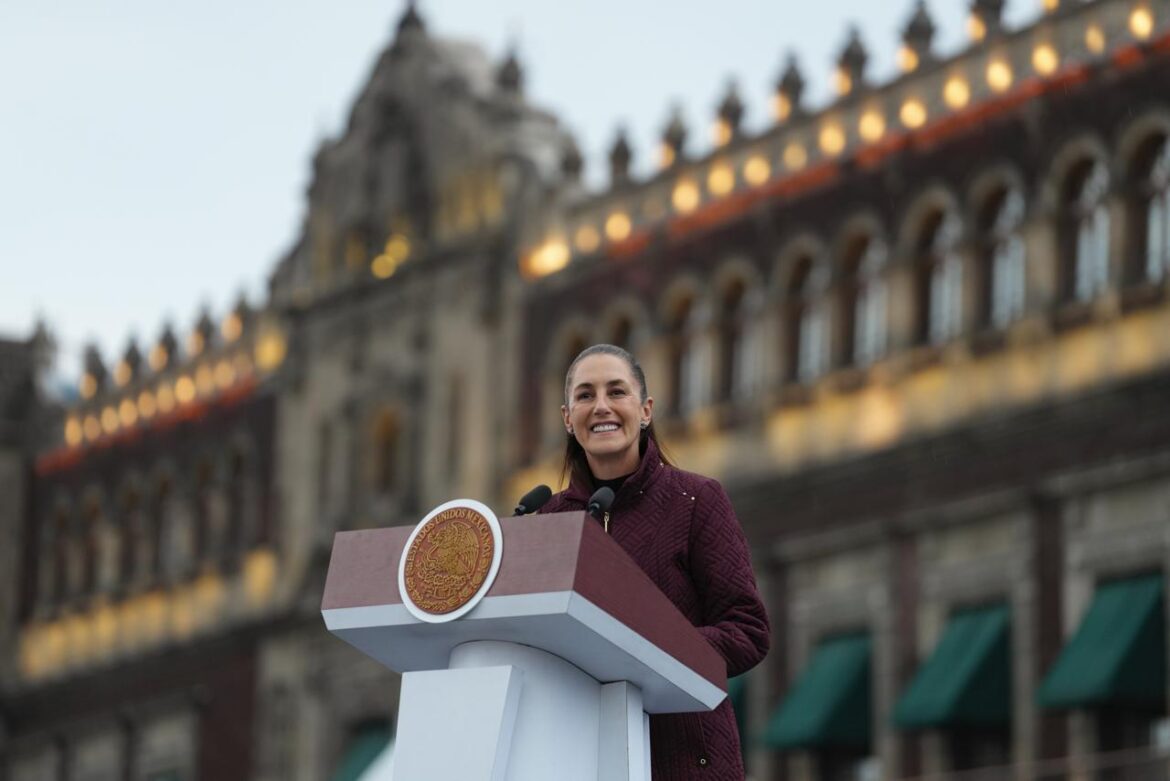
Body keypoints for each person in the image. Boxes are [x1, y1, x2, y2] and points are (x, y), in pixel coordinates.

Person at [540, 343, 770, 779]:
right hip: (578, 755)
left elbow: (748, 631)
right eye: (586, 395)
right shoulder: (547, 521)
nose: (602, 406)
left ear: (645, 410)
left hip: (685, 756)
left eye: (617, 392)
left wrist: (647, 654)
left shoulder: (697, 500)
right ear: (568, 419)